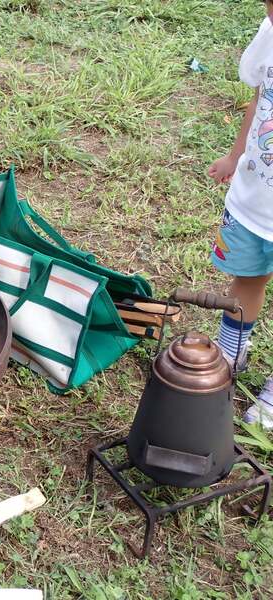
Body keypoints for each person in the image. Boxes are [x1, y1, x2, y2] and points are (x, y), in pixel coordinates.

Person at [207, 0, 273, 428]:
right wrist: (235, 155)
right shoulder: (270, 32)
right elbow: (259, 98)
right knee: (245, 280)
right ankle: (231, 352)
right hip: (254, 200)